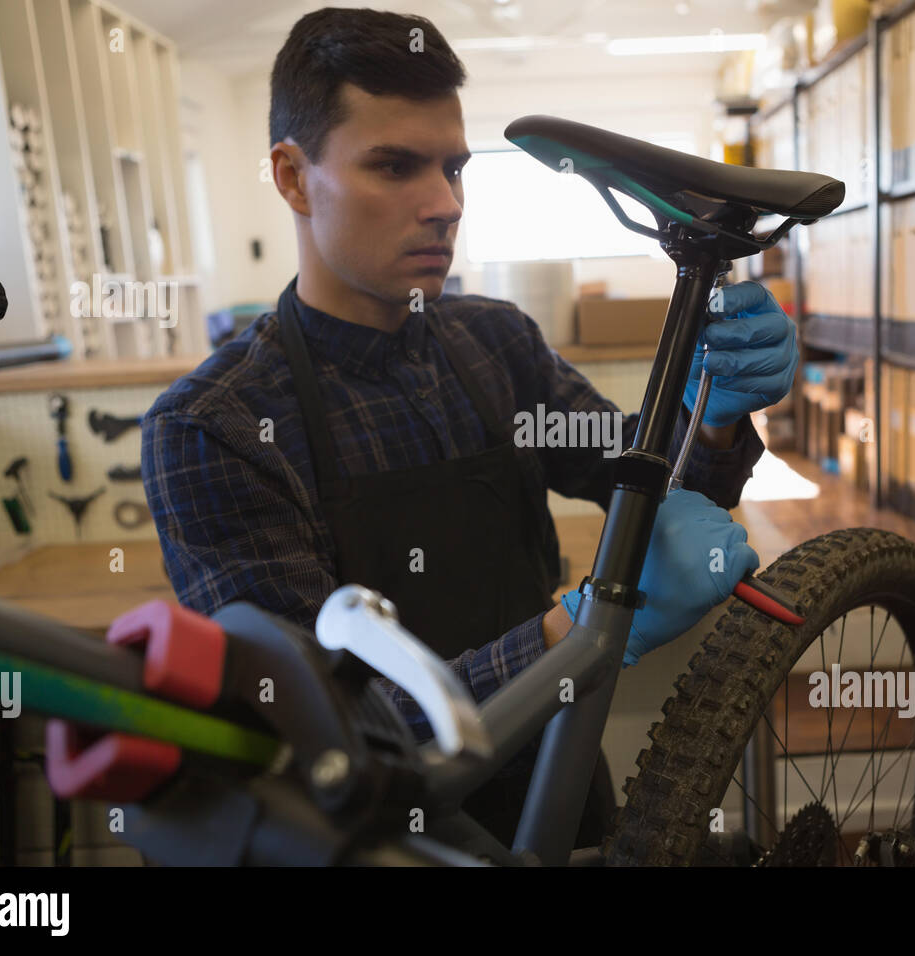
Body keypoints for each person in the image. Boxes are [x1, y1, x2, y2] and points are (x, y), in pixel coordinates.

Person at [141, 7, 799, 850]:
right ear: (294, 177)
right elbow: (330, 732)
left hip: (555, 795)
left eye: (454, 168)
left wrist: (709, 424)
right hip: (380, 841)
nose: (446, 204)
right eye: (395, 166)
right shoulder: (214, 428)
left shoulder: (494, 342)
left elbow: (657, 499)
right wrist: (581, 630)